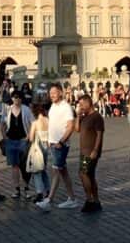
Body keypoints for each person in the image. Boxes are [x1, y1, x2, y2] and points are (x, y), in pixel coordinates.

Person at [41, 82, 80, 210]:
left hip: (61, 145)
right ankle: (72, 198)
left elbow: (70, 126)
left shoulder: (66, 107)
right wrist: (49, 139)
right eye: (50, 93)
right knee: (63, 171)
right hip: (53, 143)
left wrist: (61, 142)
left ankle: (49, 199)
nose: (52, 95)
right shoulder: (53, 106)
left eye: (54, 93)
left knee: (56, 170)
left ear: (61, 93)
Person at [1, 89, 33, 199]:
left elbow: (32, 123)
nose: (16, 99)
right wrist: (4, 137)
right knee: (14, 166)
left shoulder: (26, 110)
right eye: (14, 97)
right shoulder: (8, 109)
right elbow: (3, 123)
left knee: (24, 166)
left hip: (23, 140)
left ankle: (27, 188)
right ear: (12, 98)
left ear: (21, 99)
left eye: (18, 97)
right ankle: (16, 189)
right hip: (11, 140)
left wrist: (29, 136)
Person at [76, 94, 104, 213]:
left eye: (82, 104)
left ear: (88, 103)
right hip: (84, 151)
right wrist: (78, 116)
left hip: (90, 152)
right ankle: (96, 201)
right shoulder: (84, 116)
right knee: (90, 175)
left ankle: (89, 200)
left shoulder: (96, 117)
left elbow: (99, 134)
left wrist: (96, 150)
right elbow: (77, 129)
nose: (81, 107)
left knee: (83, 173)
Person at [27, 102, 51, 207]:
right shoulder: (48, 121)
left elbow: (31, 138)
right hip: (47, 148)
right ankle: (48, 191)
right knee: (44, 170)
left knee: (37, 171)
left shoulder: (35, 123)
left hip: (38, 149)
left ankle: (39, 193)